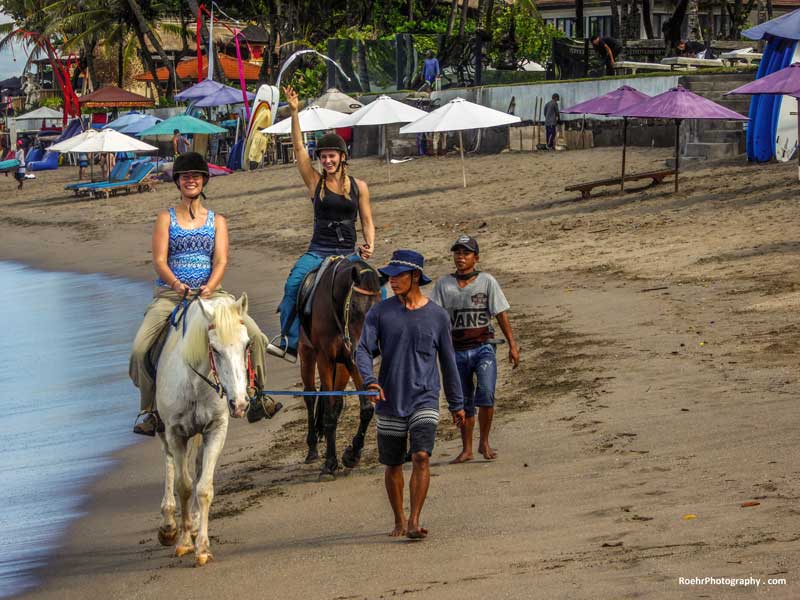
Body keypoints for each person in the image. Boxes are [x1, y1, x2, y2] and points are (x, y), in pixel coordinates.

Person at [129, 152, 280, 436]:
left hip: (213, 294)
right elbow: (160, 260)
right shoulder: (166, 218)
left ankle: (258, 394)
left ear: (204, 181)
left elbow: (221, 260)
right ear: (178, 181)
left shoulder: (217, 221)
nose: (191, 181)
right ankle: (149, 410)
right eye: (186, 177)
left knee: (256, 336)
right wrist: (176, 285)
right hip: (172, 296)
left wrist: (210, 286)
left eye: (196, 177)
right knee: (140, 350)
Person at [356, 249, 465, 540]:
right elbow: (364, 349)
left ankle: (415, 520)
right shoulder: (380, 312)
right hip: (389, 399)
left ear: (415, 276)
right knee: (393, 465)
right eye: (389, 276)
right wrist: (369, 380)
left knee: (420, 456)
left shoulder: (438, 316)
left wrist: (457, 404)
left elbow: (448, 362)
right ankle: (399, 519)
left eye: (398, 276)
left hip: (425, 398)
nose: (391, 281)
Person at [271, 85, 376, 361]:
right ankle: (289, 341)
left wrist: (370, 245)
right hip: (318, 252)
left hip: (349, 254)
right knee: (293, 285)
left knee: (378, 288)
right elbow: (298, 148)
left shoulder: (359, 186)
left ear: (343, 157)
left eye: (332, 156)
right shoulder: (314, 182)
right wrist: (294, 113)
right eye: (323, 156)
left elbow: (367, 220)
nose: (327, 160)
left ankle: (378, 340)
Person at [431, 235, 519, 464]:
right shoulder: (444, 285)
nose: (460, 257)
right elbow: (435, 318)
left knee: (487, 393)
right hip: (455, 352)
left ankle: (485, 441)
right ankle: (467, 448)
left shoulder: (487, 281)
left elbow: (501, 313)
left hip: (483, 348)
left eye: (466, 253)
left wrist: (512, 344)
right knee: (462, 401)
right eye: (457, 253)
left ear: (475, 258)